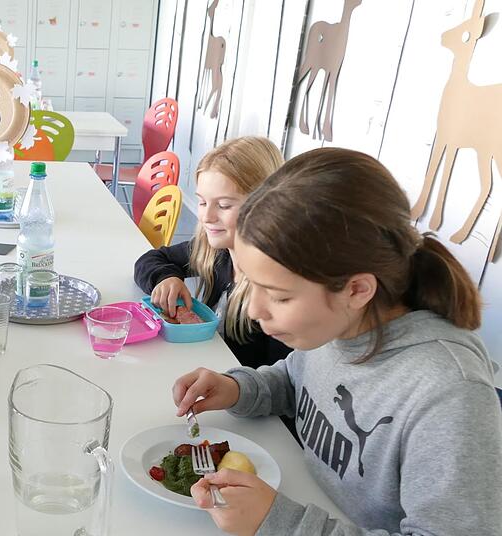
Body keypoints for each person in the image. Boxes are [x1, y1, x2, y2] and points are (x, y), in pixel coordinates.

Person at [173, 148, 502, 535]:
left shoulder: (450, 394)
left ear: (357, 289)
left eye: (279, 296)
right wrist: (237, 388)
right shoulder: (338, 327)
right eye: (252, 285)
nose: (256, 309)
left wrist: (284, 523)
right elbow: (297, 383)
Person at [135, 136, 291, 368]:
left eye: (224, 205)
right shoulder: (215, 251)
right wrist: (166, 278)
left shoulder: (281, 289)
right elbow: (151, 259)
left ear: (267, 205)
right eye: (202, 202)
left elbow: (279, 379)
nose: (207, 217)